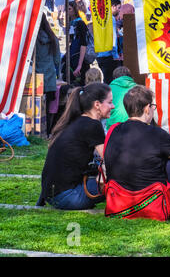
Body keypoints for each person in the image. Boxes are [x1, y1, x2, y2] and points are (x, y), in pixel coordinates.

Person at [103, 85, 170, 216]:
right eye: (153, 107)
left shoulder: (113, 130)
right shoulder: (156, 133)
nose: (153, 110)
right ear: (146, 109)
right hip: (151, 201)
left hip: (119, 201)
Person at [39, 82, 114, 210]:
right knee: (122, 177)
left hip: (51, 195)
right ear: (97, 104)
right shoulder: (92, 125)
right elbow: (111, 159)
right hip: (68, 197)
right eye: (110, 102)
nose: (113, 106)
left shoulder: (74, 121)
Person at [35, 15, 61, 137]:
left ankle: (37, 132)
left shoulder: (32, 39)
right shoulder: (52, 38)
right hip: (50, 76)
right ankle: (47, 132)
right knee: (49, 108)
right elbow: (57, 61)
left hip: (36, 77)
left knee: (35, 106)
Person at [62, 1, 90, 86]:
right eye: (66, 9)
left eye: (69, 9)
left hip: (79, 58)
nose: (67, 11)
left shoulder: (80, 23)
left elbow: (83, 44)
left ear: (75, 10)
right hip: (73, 56)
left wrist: (79, 65)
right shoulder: (71, 24)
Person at [96, 0, 122, 84]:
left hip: (100, 54)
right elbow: (112, 37)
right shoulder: (111, 18)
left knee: (106, 80)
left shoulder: (101, 17)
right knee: (112, 81)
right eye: (119, 7)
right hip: (109, 55)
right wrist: (115, 55)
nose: (119, 10)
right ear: (113, 6)